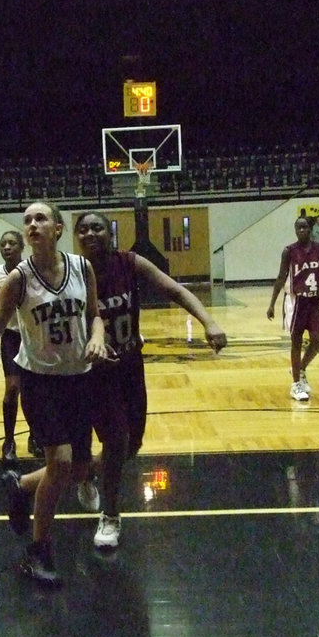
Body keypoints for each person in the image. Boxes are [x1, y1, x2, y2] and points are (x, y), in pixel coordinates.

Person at [0, 201, 108, 586]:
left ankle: (19, 486)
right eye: (27, 220)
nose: (33, 224)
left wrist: (99, 338)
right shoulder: (18, 279)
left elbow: (94, 314)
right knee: (60, 464)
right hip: (40, 381)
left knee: (77, 469)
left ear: (58, 228)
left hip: (79, 377)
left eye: (41, 218)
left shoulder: (82, 268)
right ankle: (38, 552)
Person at [73, 210, 228, 548]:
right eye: (83, 229)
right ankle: (110, 517)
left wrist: (209, 322)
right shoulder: (71, 273)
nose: (90, 234)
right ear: (76, 237)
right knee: (115, 442)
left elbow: (174, 290)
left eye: (97, 227)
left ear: (109, 233)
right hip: (96, 374)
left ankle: (85, 472)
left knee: (132, 445)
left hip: (131, 365)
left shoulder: (130, 263)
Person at [266, 216, 319, 401]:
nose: (301, 231)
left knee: (317, 341)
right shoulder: (289, 251)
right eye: (298, 228)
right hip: (296, 301)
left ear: (310, 229)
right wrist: (272, 303)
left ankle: (301, 368)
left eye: (305, 227)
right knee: (296, 342)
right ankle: (296, 384)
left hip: (314, 300)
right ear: (295, 230)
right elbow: (281, 277)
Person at [0, 230, 38, 465]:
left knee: (32, 389)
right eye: (3, 243)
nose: (7, 247)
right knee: (12, 389)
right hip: (10, 336)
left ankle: (35, 435)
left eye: (12, 243)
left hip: (32, 334)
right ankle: (9, 440)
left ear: (21, 247)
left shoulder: (31, 270)